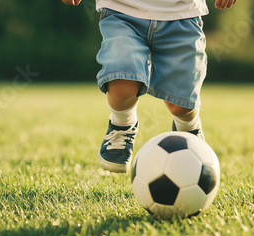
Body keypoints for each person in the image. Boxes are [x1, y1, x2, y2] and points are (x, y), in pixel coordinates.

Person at [62, 0, 238, 173]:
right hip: (122, 11)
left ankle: (189, 130)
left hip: (182, 13)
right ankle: (122, 124)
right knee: (122, 77)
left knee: (181, 103)